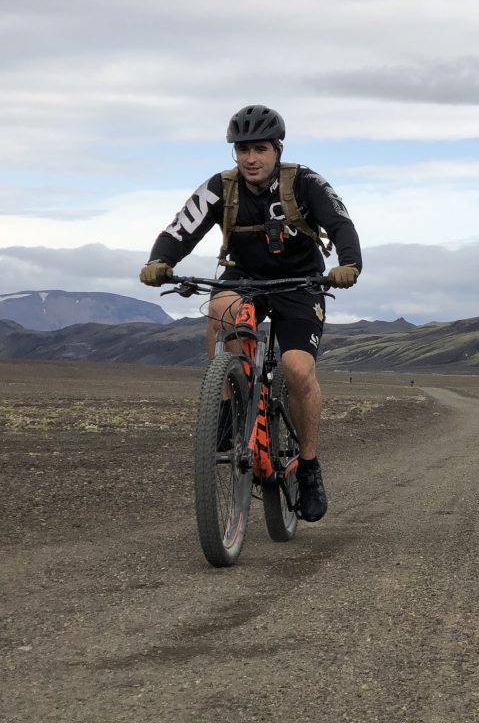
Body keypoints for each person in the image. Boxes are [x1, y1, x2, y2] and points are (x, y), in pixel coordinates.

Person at [139, 104, 362, 523]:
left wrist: (348, 264)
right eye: (242, 149)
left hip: (300, 284)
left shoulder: (305, 182)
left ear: (277, 149)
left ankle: (309, 466)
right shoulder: (221, 188)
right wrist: (159, 260)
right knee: (222, 311)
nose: (250, 158)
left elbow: (341, 223)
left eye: (259, 148)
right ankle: (228, 405)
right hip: (243, 278)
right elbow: (180, 229)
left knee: (298, 370)